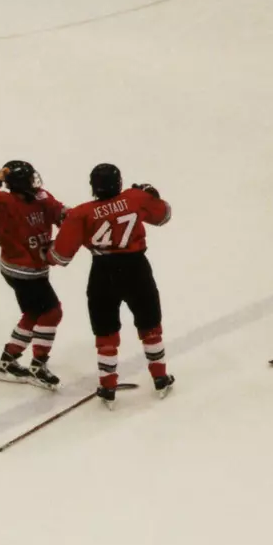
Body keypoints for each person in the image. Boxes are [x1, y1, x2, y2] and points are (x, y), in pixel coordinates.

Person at [49, 164, 175, 408]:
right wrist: (153, 195)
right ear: (118, 182)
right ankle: (160, 377)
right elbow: (164, 215)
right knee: (150, 323)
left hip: (103, 272)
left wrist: (46, 250)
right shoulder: (135, 197)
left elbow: (60, 257)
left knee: (105, 330)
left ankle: (107, 387)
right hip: (136, 268)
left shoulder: (81, 213)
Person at [0, 161, 68, 389]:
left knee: (34, 313)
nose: (35, 182)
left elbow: (62, 213)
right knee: (52, 313)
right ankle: (38, 365)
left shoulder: (41, 198)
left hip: (35, 268)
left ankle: (8, 361)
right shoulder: (4, 204)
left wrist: (82, 217)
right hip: (22, 271)